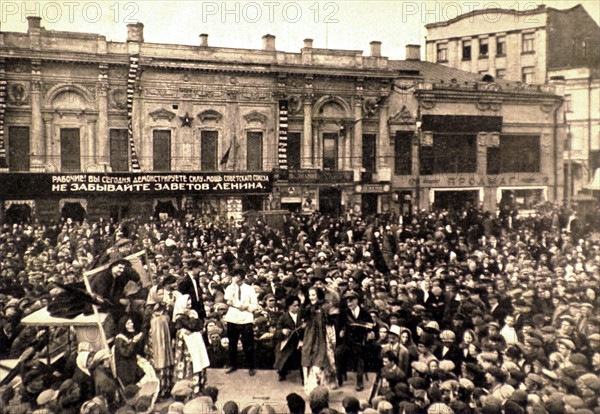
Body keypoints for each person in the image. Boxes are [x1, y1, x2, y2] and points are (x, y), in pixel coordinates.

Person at [336, 290, 374, 391]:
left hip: (360, 343)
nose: (349, 304)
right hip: (347, 342)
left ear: (357, 300)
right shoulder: (344, 314)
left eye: (351, 301)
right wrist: (341, 332)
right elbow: (339, 327)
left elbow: (371, 327)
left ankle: (359, 381)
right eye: (347, 302)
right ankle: (339, 378)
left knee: (360, 355)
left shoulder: (365, 313)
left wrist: (370, 333)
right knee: (338, 352)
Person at [223, 269, 258, 376]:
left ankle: (251, 366)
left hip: (246, 318)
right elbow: (227, 298)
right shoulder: (230, 288)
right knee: (232, 343)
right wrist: (233, 285)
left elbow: (255, 305)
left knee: (248, 343)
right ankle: (233, 365)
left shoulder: (249, 289)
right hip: (233, 318)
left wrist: (247, 306)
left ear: (241, 277)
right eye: (234, 276)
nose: (235, 278)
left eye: (237, 276)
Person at [301, 286, 336, 394]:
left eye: (313, 295)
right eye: (310, 295)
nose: (311, 297)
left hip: (323, 336)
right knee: (308, 359)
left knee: (321, 361)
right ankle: (312, 389)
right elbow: (303, 317)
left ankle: (322, 389)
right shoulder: (308, 307)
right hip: (310, 336)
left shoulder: (326, 306)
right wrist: (303, 303)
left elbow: (331, 322)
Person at [172, 294, 208, 395]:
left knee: (197, 362)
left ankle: (198, 386)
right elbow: (192, 326)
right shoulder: (180, 317)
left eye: (190, 304)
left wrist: (194, 319)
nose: (189, 305)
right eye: (187, 304)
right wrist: (193, 319)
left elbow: (199, 326)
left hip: (194, 344)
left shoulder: (192, 313)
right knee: (189, 364)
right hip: (186, 347)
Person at [144, 283, 174, 399]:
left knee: (167, 363)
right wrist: (146, 343)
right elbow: (145, 327)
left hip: (165, 340)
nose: (161, 296)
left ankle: (167, 389)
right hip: (154, 342)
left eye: (162, 294)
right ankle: (157, 391)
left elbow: (170, 323)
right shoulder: (148, 310)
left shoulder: (166, 307)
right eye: (159, 294)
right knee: (157, 364)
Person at [273, 295, 304, 382]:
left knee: (303, 354)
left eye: (298, 305)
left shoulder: (302, 316)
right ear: (289, 306)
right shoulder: (283, 318)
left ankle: (304, 376)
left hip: (301, 341)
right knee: (284, 353)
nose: (297, 307)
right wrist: (283, 331)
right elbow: (277, 332)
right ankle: (282, 372)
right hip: (288, 342)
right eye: (295, 305)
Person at [114, 315, 145, 387]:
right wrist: (133, 342)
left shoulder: (130, 334)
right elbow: (126, 353)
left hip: (132, 362)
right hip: (125, 366)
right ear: (123, 325)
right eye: (128, 323)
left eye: (131, 322)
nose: (131, 324)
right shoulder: (119, 338)